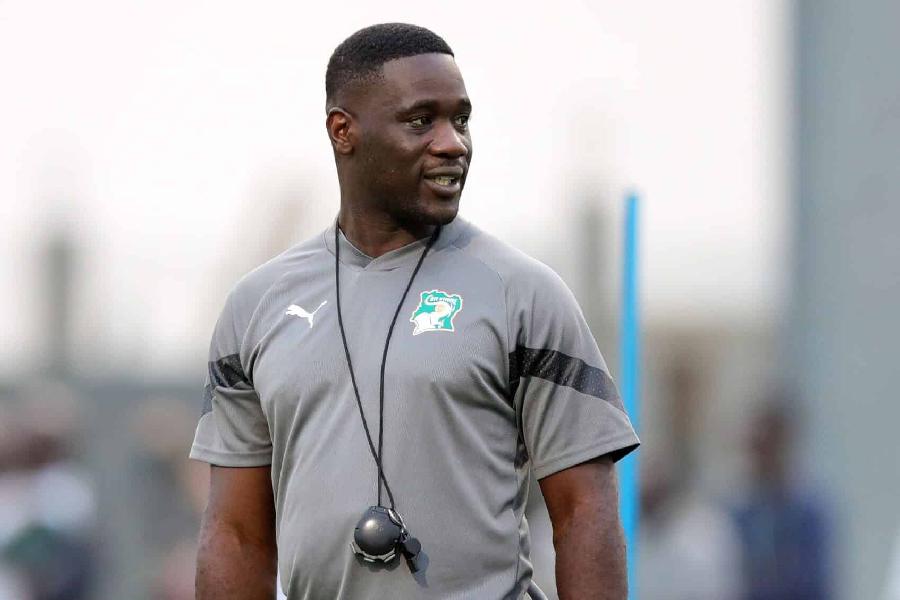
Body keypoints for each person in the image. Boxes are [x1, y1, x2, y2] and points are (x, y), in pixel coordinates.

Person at [190, 23, 639, 599]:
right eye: (421, 120)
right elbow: (236, 535)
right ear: (343, 131)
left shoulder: (525, 294)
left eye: (462, 120)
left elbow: (584, 512)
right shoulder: (256, 307)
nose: (453, 143)